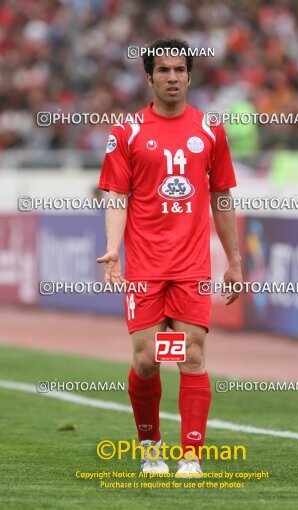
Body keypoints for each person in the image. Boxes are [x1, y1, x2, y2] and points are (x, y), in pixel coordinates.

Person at [97, 38, 242, 478]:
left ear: (190, 76)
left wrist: (234, 261)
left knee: (191, 356)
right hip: (144, 267)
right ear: (149, 78)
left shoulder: (210, 130)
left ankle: (192, 457)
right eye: (164, 71)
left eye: (180, 70)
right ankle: (150, 446)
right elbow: (117, 196)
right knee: (146, 360)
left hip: (191, 268)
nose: (173, 77)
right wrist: (113, 253)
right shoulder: (128, 132)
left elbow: (222, 196)